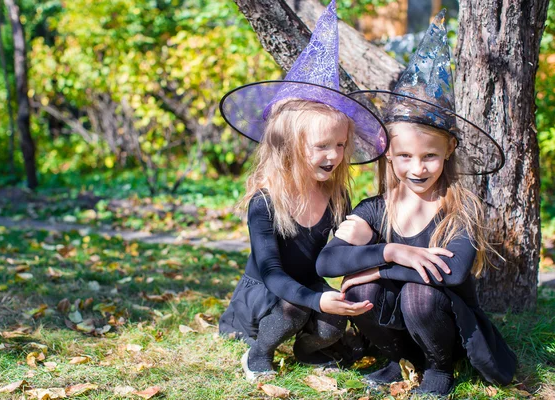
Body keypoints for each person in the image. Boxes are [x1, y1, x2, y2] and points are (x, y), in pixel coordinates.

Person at [316, 10, 516, 396]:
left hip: (447, 329)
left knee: (417, 292)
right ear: (387, 155)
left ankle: (438, 368)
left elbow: (454, 273)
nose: (418, 168)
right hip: (399, 327)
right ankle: (397, 358)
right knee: (357, 289)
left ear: (449, 151)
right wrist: (393, 250)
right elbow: (328, 261)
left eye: (430, 157)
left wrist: (380, 268)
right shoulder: (375, 209)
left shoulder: (459, 208)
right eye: (405, 156)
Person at [217, 0, 388, 383]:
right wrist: (314, 299)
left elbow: (344, 252)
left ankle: (309, 351)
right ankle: (258, 352)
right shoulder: (266, 201)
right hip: (269, 293)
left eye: (341, 145)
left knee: (332, 325)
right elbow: (272, 272)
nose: (334, 155)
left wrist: (338, 293)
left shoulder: (335, 195)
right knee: (295, 308)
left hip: (308, 286)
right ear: (289, 146)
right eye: (322, 146)